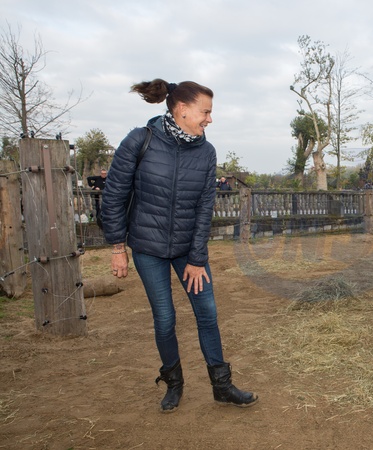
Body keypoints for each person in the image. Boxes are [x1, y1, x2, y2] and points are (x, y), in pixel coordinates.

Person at [101, 79, 258, 413]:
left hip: (188, 249)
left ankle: (222, 386)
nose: (210, 119)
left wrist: (197, 259)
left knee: (207, 314)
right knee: (164, 318)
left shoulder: (206, 152)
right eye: (206, 112)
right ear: (182, 109)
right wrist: (117, 247)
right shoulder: (139, 141)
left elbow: (204, 207)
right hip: (148, 248)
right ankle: (174, 384)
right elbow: (113, 195)